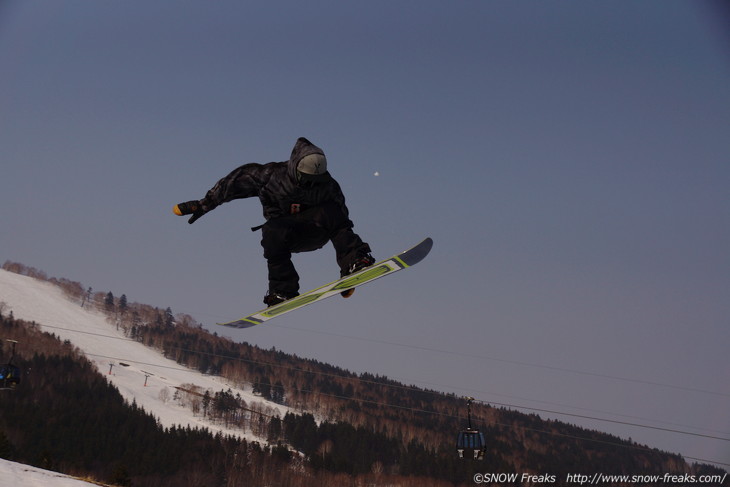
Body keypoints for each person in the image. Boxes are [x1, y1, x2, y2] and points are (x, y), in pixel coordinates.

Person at [174, 137, 374, 306]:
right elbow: (233, 183)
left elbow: (342, 223)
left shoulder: (329, 186)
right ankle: (282, 290)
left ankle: (356, 261)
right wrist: (204, 204)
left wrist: (351, 276)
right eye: (306, 180)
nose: (311, 186)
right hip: (286, 235)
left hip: (317, 230)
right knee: (271, 230)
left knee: (332, 211)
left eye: (316, 182)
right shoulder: (270, 176)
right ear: (295, 169)